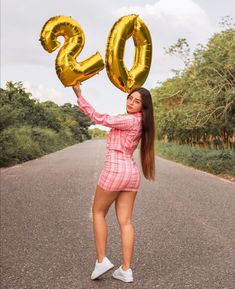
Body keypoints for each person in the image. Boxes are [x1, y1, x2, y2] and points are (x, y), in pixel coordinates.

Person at [72, 82, 155, 283]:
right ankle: (125, 270)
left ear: (143, 107)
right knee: (125, 221)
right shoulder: (143, 122)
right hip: (131, 173)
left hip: (115, 169)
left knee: (98, 212)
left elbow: (99, 118)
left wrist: (79, 95)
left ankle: (102, 260)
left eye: (137, 102)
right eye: (130, 98)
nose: (131, 103)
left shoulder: (130, 120)